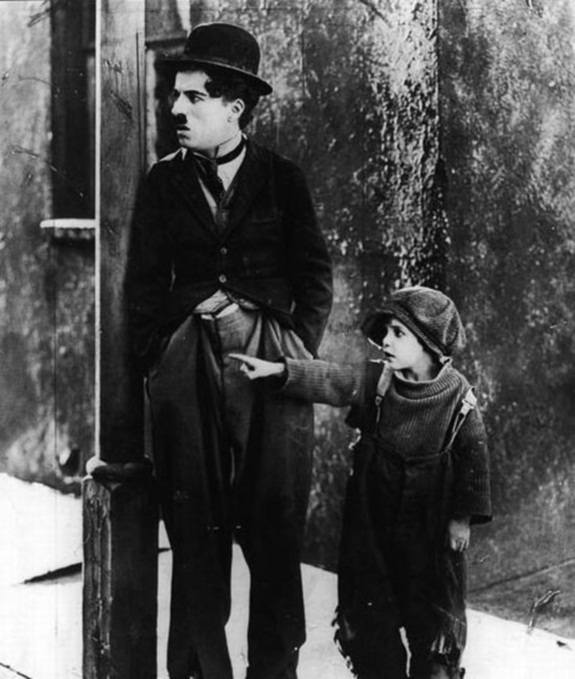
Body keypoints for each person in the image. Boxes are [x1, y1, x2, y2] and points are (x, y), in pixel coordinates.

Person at [128, 22, 333, 679]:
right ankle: (197, 670)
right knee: (195, 529)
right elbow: (142, 285)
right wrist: (160, 356)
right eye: (175, 95)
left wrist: (293, 347)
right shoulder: (162, 183)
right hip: (187, 364)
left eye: (193, 97)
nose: (176, 109)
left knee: (275, 526)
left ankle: (272, 671)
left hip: (269, 366)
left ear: (234, 108)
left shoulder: (282, 179)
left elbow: (314, 277)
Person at [231, 286, 492, 679]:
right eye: (385, 331)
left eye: (398, 333)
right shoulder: (376, 381)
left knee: (434, 629)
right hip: (373, 527)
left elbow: (474, 458)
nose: (385, 340)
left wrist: (461, 519)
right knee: (371, 625)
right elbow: (333, 379)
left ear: (430, 344)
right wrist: (279, 371)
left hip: (429, 531)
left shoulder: (459, 400)